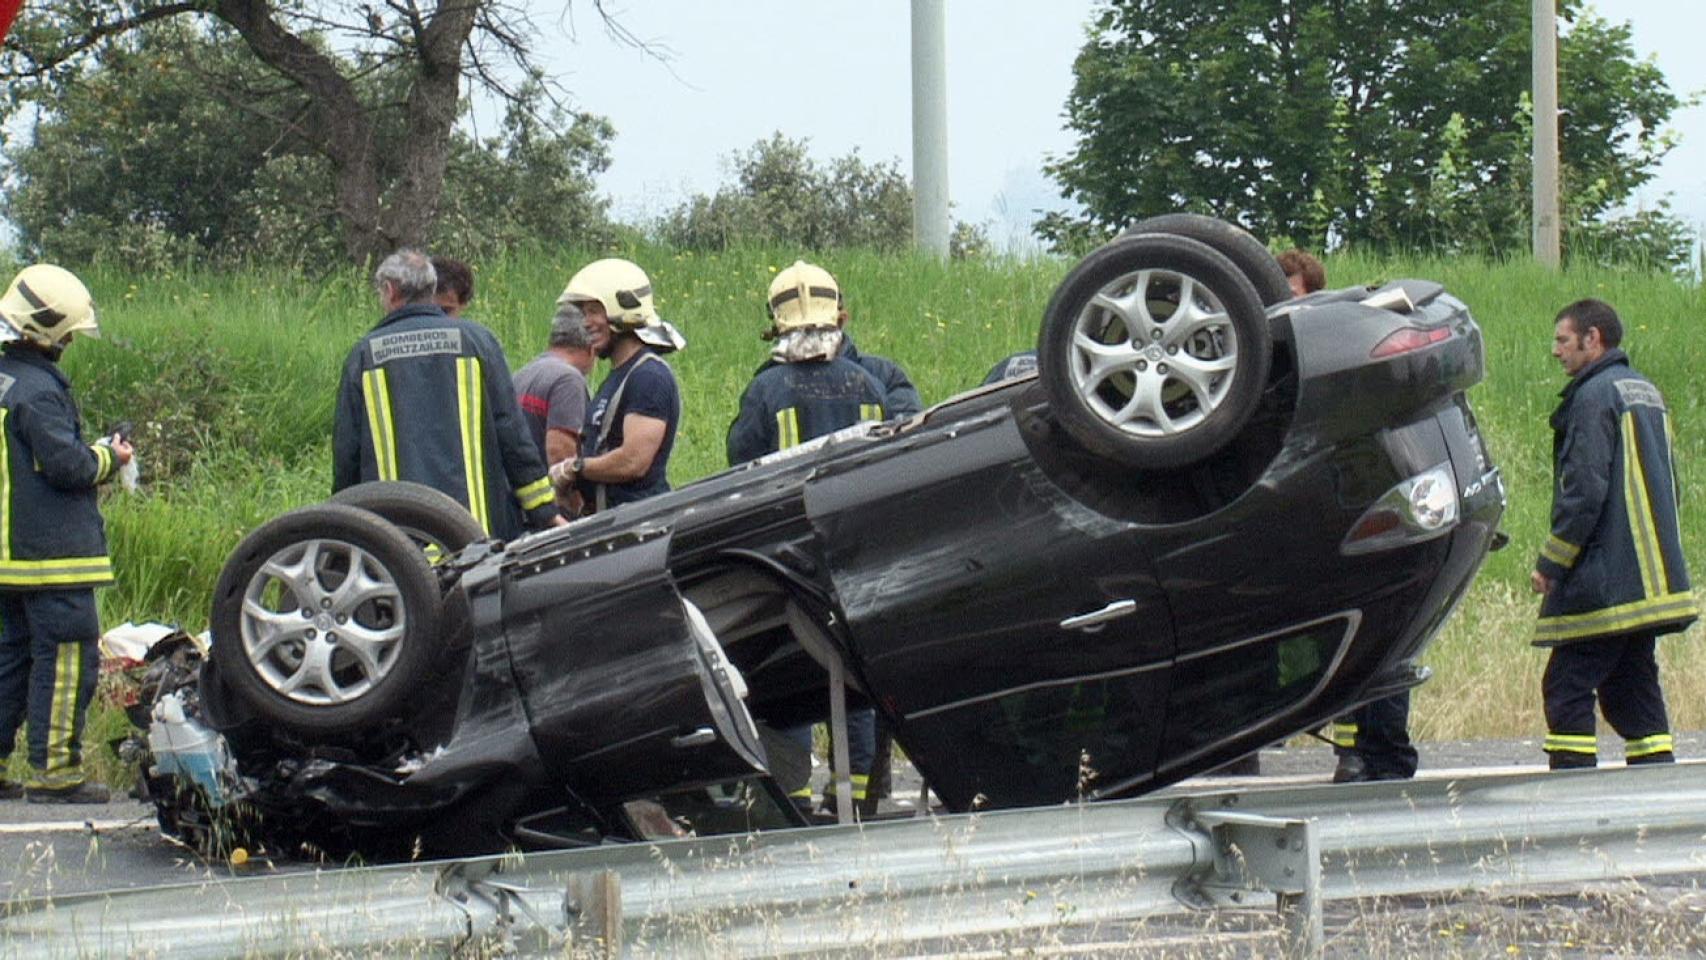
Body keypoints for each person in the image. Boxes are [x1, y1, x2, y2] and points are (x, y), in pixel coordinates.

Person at [727, 261, 888, 818]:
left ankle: (791, 801)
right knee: (856, 670)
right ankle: (857, 797)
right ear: (837, 315)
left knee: (791, 671)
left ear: (776, 322)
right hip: (856, 551)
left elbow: (741, 469)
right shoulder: (868, 384)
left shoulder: (767, 389)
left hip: (788, 557)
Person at [1532, 298, 1696, 769]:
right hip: (1648, 578)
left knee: (1566, 685)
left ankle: (1573, 787)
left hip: (1607, 579)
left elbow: (1583, 491)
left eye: (1563, 340)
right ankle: (1655, 780)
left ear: (1593, 338)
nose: (1556, 351)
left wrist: (1552, 562)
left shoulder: (1592, 397)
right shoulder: (1646, 392)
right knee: (1631, 685)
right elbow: (1670, 484)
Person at [0, 264, 134, 803]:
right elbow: (69, 468)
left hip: (10, 560)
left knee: (10, 662)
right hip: (52, 559)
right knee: (66, 663)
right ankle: (56, 774)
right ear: (48, 332)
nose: (71, 342)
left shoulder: (7, 381)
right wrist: (110, 455)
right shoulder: (39, 392)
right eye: (68, 334)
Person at [333, 249, 558, 540]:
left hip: (400, 544)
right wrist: (544, 510)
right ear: (431, 288)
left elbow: (348, 454)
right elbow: (512, 434)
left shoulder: (365, 355)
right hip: (478, 538)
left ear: (390, 291)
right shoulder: (478, 342)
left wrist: (342, 526)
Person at [550, 258, 685, 513]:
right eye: (584, 313)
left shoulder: (649, 377)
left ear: (623, 309)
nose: (586, 322)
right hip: (611, 520)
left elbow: (633, 461)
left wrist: (574, 468)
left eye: (594, 311)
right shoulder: (619, 376)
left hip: (638, 522)